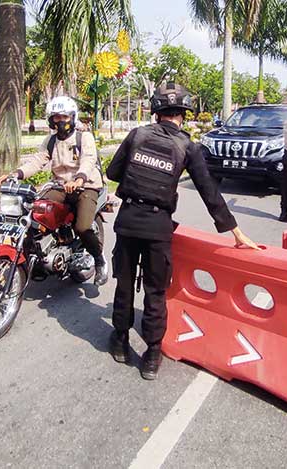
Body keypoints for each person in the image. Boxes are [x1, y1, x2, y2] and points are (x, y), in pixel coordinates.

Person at [106, 82, 260, 380]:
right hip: (158, 227)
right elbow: (208, 191)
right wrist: (236, 232)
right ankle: (152, 355)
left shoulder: (137, 135)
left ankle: (121, 341)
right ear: (183, 114)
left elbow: (113, 172)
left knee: (124, 284)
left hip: (128, 222)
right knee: (155, 291)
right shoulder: (187, 147)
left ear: (156, 111)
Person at [0, 96, 108, 286]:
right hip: (60, 186)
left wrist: (79, 178)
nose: (61, 121)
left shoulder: (84, 137)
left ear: (72, 117)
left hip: (86, 185)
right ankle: (40, 253)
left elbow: (89, 159)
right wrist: (16, 174)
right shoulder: (50, 140)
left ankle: (99, 259)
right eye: (56, 117)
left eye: (64, 116)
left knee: (82, 227)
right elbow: (37, 161)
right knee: (36, 213)